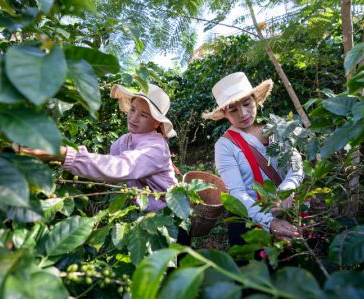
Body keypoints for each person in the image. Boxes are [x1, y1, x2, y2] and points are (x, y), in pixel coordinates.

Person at [16, 83, 178, 212]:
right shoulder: (124, 141)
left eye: (143, 115)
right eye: (133, 110)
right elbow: (108, 165)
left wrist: (63, 154)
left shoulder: (156, 148)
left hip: (169, 216)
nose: (133, 118)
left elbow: (121, 167)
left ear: (157, 122)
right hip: (142, 214)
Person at [202, 72, 304, 244]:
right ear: (224, 114)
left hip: (288, 212)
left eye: (247, 103)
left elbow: (296, 164)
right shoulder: (225, 145)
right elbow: (236, 193)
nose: (242, 113)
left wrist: (287, 189)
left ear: (256, 100)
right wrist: (269, 221)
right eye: (233, 110)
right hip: (250, 223)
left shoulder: (275, 128)